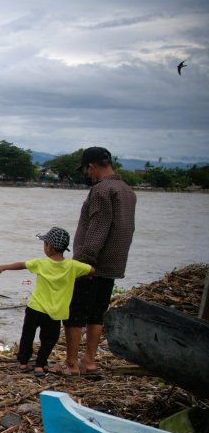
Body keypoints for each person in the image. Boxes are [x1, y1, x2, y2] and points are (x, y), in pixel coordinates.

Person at [63, 146, 137, 375]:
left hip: (92, 265)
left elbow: (98, 228)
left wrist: (82, 263)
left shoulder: (102, 190)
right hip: (113, 264)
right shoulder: (127, 191)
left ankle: (72, 364)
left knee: (74, 315)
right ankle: (90, 360)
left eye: (86, 169)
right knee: (97, 314)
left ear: (92, 166)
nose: (87, 174)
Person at [0, 227, 94, 375]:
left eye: (45, 243)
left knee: (27, 336)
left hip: (35, 308)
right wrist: (76, 276)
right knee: (48, 340)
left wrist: (5, 267)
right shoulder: (72, 266)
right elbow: (92, 270)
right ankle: (40, 366)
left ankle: (23, 363)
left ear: (50, 247)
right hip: (55, 313)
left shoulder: (41, 263)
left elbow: (22, 265)